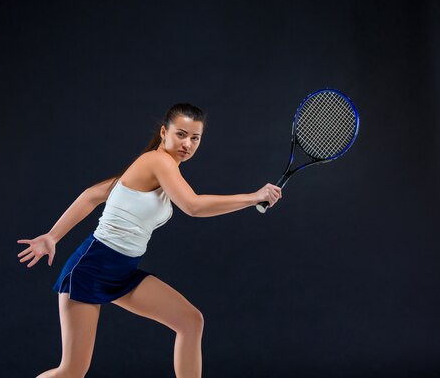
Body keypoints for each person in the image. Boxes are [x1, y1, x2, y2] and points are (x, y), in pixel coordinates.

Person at [17, 103, 282, 378]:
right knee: (72, 371)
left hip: (123, 271)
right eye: (181, 134)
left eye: (195, 138)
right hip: (89, 270)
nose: (187, 144)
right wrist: (254, 197)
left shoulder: (160, 169)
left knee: (190, 321)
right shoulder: (157, 162)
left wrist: (52, 236)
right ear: (164, 132)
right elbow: (193, 206)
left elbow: (92, 195)